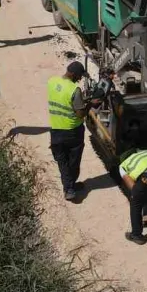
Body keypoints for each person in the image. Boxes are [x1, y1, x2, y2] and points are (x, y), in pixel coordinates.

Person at [47, 62, 93, 202]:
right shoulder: (74, 90)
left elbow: (63, 100)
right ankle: (69, 189)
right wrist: (89, 104)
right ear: (73, 74)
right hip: (73, 131)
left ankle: (70, 185)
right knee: (73, 161)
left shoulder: (52, 81)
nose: (79, 79)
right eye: (79, 76)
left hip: (56, 130)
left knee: (62, 160)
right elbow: (80, 114)